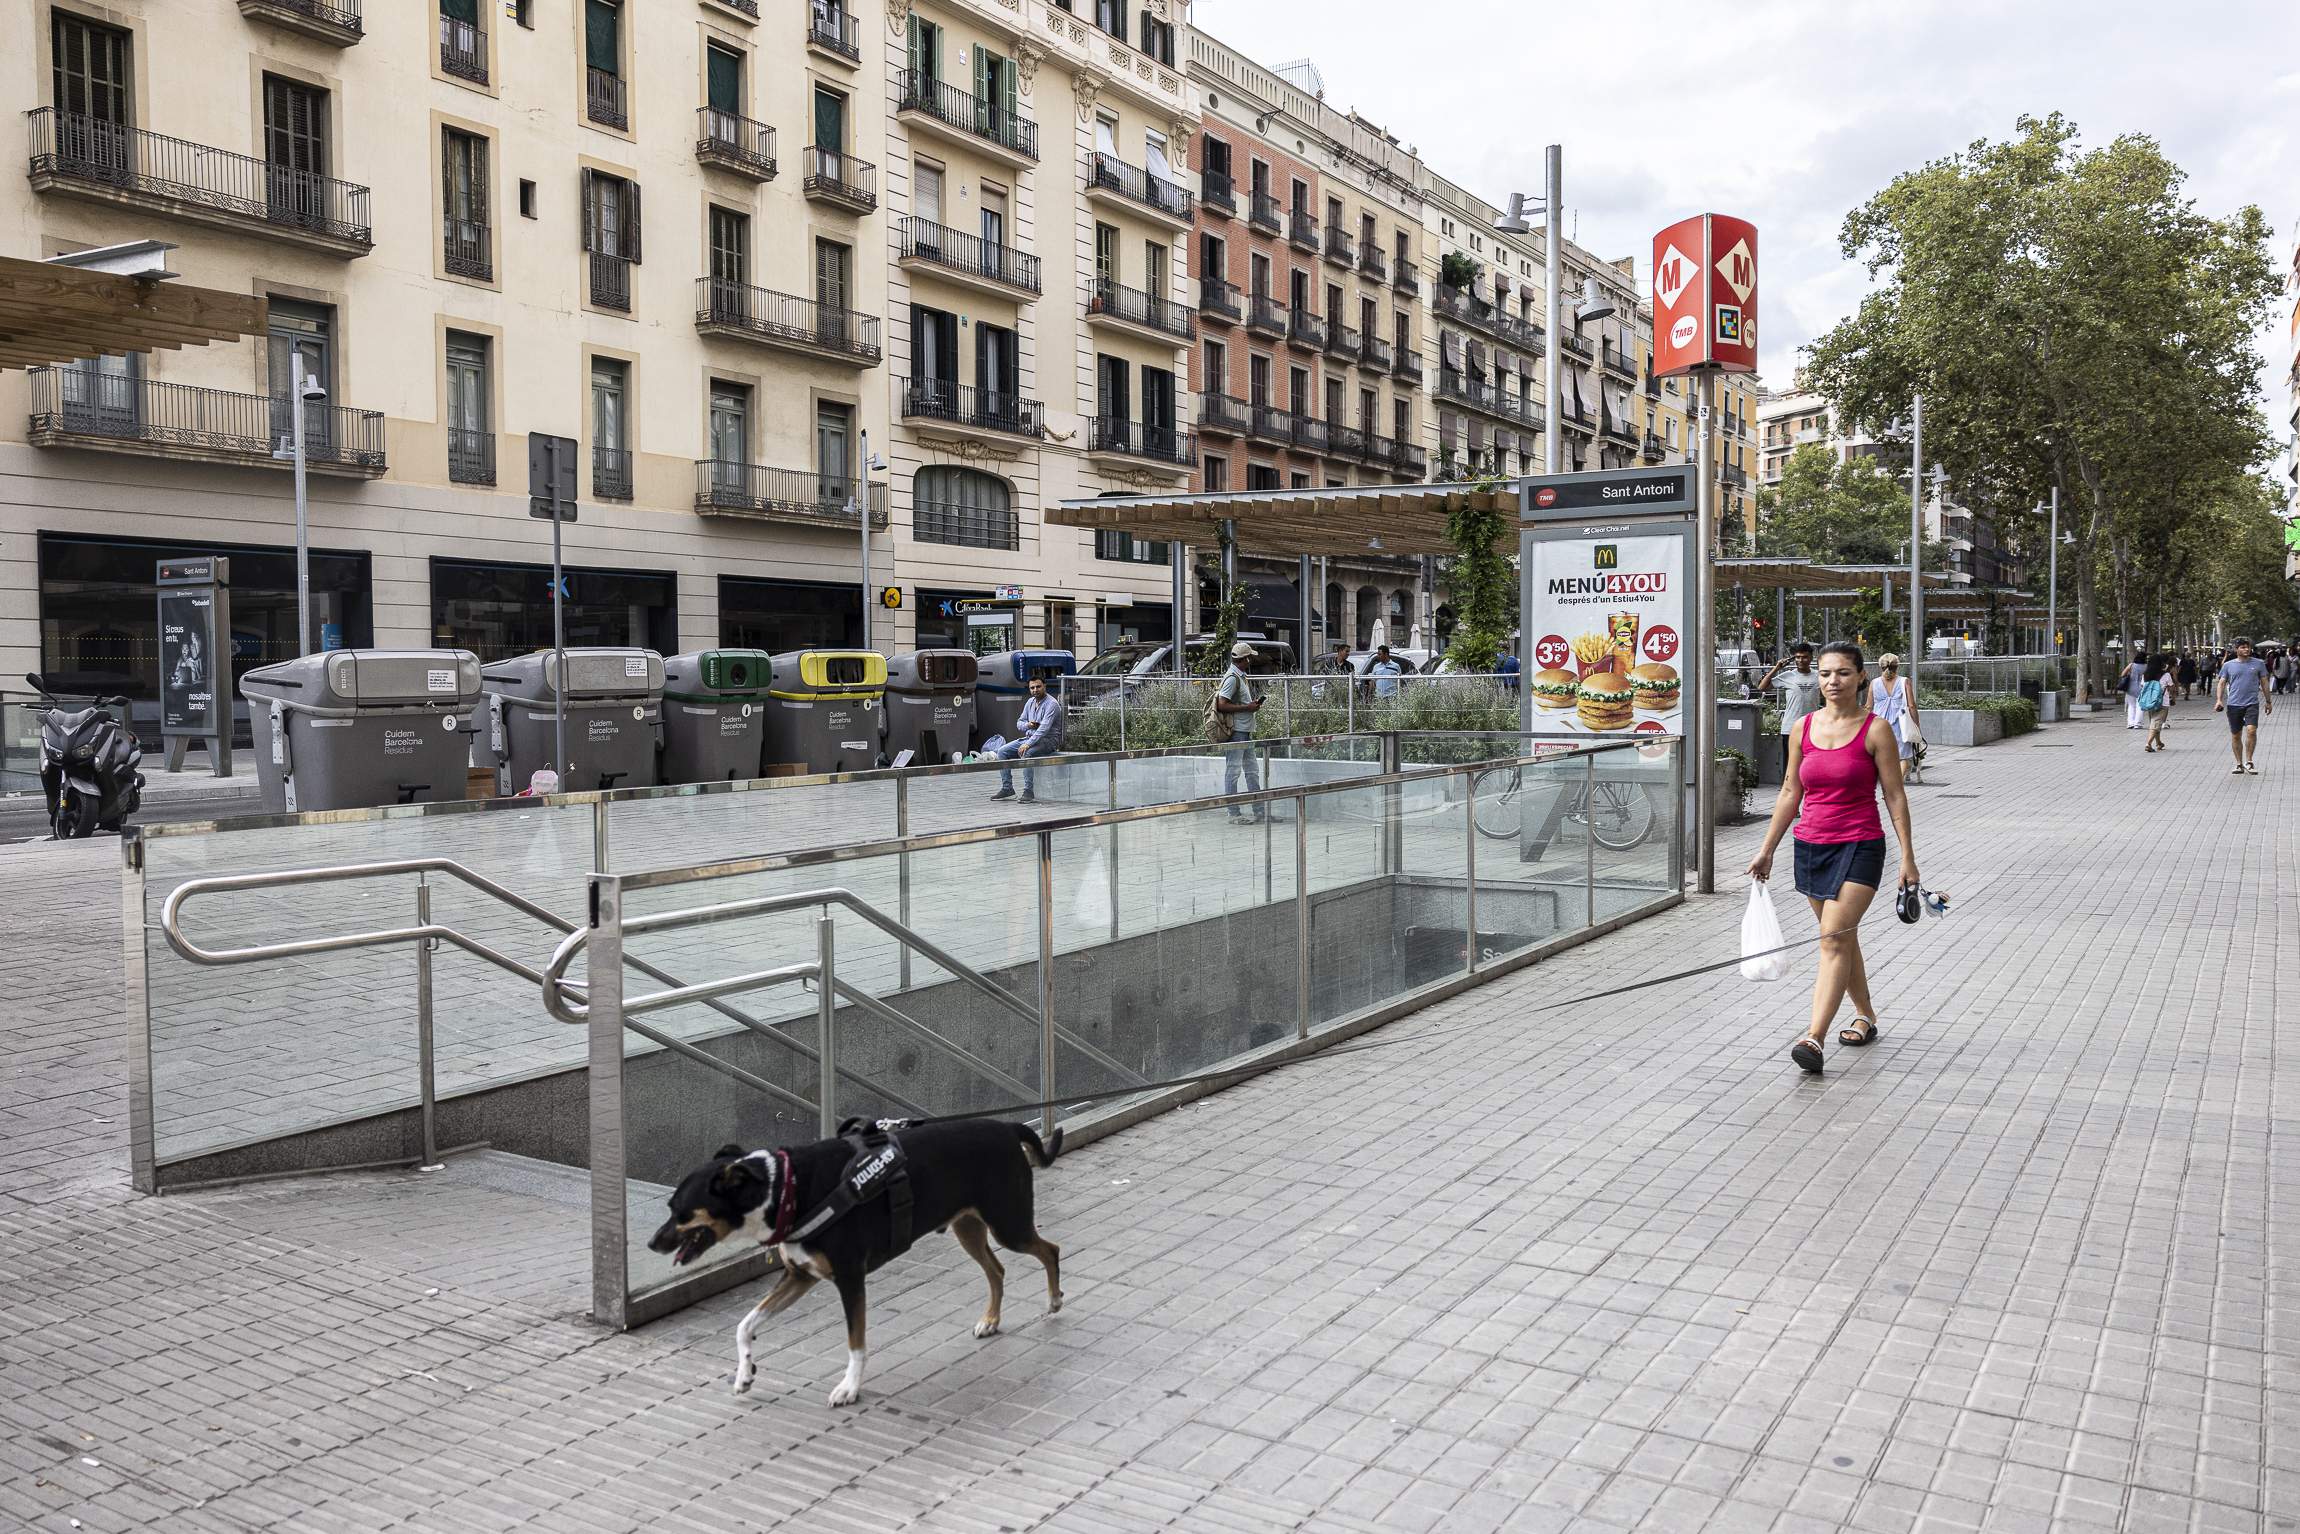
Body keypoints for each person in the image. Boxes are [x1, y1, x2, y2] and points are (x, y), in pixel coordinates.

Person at [1746, 640, 1919, 1074]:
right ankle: (1866, 1015)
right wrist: (1766, 849)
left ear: (1862, 677)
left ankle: (1814, 1037)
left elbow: (1895, 797)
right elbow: (1790, 792)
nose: (1832, 681)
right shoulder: (1803, 728)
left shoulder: (1875, 729)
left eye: (1842, 672)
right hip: (1810, 847)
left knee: (1833, 938)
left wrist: (1908, 859)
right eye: (1825, 673)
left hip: (1860, 845)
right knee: (1841, 936)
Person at [989, 673, 1062, 803]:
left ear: (1044, 686)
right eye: (1032, 688)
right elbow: (1019, 723)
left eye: (1038, 687)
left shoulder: (1052, 704)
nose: (1035, 690)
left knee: (1027, 753)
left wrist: (1027, 744)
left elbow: (1043, 730)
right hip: (1029, 739)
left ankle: (1029, 791)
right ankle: (1007, 789)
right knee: (1002, 751)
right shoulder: (1030, 702)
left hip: (1048, 741)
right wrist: (1028, 725)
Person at [1214, 640, 1265, 821]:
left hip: (1244, 730)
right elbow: (1222, 704)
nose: (1250, 661)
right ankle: (1233, 812)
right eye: (1249, 658)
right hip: (1237, 731)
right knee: (1233, 771)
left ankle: (1259, 810)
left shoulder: (1240, 676)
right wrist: (1247, 708)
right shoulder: (1232, 678)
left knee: (1251, 770)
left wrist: (1249, 707)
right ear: (1244, 659)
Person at [2214, 635, 2272, 775]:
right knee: (2236, 735)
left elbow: (2264, 683)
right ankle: (2239, 763)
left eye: (2248, 647)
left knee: (2251, 730)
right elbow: (2221, 683)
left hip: (2252, 703)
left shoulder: (2258, 663)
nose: (2246, 649)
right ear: (2236, 649)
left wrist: (2268, 701)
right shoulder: (2228, 665)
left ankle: (2249, 761)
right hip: (2234, 704)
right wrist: (2219, 700)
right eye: (2243, 647)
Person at [1872, 653, 1924, 783]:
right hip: (1901, 724)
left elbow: (1868, 706)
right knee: (1904, 756)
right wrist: (1916, 724)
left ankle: (1886, 783)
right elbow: (1911, 705)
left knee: (1882, 755)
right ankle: (1896, 785)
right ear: (1897, 666)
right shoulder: (1904, 681)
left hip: (1879, 723)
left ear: (1881, 666)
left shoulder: (1874, 683)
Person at [1759, 641, 1823, 744]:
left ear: (1811, 657)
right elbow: (1762, 687)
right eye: (1797, 657)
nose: (1801, 660)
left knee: (1811, 759)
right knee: (1789, 760)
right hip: (1790, 728)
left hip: (1812, 728)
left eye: (1804, 657)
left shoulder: (1818, 676)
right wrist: (1776, 668)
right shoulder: (1788, 676)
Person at [2139, 653, 2172, 752]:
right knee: (2156, 722)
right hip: (2163, 702)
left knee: (2154, 721)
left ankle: (2158, 743)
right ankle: (2148, 743)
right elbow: (2170, 687)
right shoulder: (2166, 674)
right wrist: (2172, 698)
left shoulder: (2145, 675)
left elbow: (2142, 686)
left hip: (2150, 702)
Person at [2119, 650, 2147, 729]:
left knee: (2131, 706)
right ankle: (2138, 723)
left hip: (2130, 688)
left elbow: (2122, 674)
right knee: (2140, 706)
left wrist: (2130, 674)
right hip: (2142, 688)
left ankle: (2130, 723)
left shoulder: (2131, 665)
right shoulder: (2146, 666)